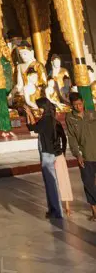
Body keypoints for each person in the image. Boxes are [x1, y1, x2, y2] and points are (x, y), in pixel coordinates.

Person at [65, 91, 96, 221]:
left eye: (80, 103)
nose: (79, 107)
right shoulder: (70, 118)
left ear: (83, 102)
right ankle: (95, 212)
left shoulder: (92, 114)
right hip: (85, 157)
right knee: (88, 184)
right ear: (71, 106)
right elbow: (72, 138)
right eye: (75, 105)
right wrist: (77, 155)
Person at [35, 97, 63, 219]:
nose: (37, 110)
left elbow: (34, 128)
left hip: (47, 153)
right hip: (48, 152)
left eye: (39, 108)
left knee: (51, 183)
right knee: (49, 182)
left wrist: (30, 114)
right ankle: (53, 209)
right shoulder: (48, 119)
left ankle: (57, 211)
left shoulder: (46, 120)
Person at [54, 118, 73, 217]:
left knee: (63, 180)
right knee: (54, 182)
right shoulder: (44, 123)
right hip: (50, 156)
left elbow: (64, 139)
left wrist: (63, 152)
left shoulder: (56, 124)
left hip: (58, 155)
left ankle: (67, 206)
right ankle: (59, 206)